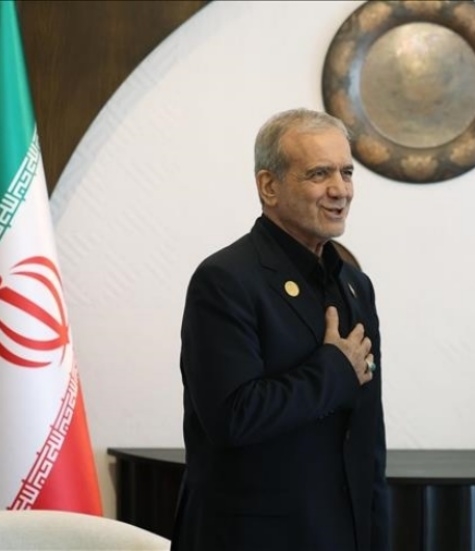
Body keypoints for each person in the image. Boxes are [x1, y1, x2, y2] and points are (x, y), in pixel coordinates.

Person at [171, 108, 388, 550]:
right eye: (319, 174)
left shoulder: (354, 284)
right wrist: (333, 370)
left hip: (341, 533)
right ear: (269, 186)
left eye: (347, 172)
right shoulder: (225, 279)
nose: (340, 190)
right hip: (253, 537)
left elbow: (367, 436)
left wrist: (375, 532)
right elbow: (233, 417)